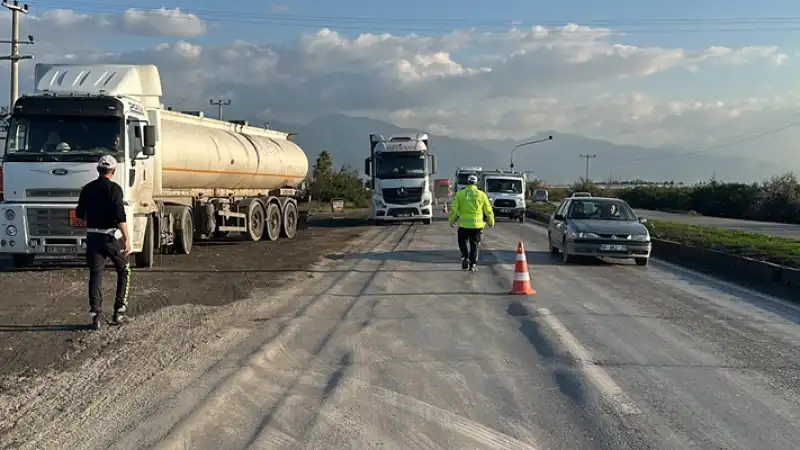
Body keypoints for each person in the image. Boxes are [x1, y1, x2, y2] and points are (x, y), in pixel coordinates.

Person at [75, 155, 132, 330]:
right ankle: (119, 311)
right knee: (124, 269)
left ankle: (95, 316)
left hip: (92, 238)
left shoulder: (87, 189)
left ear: (98, 170)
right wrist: (127, 239)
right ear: (113, 171)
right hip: (110, 238)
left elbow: (79, 213)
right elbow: (120, 216)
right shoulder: (115, 189)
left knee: (95, 275)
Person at [448, 174, 495, 271]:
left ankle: (465, 257)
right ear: (476, 183)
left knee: (462, 241)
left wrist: (451, 221)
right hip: (477, 225)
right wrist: (491, 221)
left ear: (467, 183)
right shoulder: (482, 195)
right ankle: (473, 264)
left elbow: (454, 210)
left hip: (464, 225)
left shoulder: (460, 194)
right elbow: (488, 210)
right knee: (475, 244)